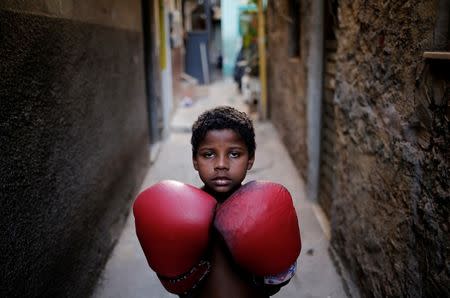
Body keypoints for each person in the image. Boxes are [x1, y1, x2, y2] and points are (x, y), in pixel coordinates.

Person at [187, 106, 297, 298]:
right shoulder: (185, 212)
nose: (221, 164)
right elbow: (177, 281)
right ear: (195, 160)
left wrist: (276, 270)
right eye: (208, 154)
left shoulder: (263, 209)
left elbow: (277, 279)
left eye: (234, 154)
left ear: (250, 160)